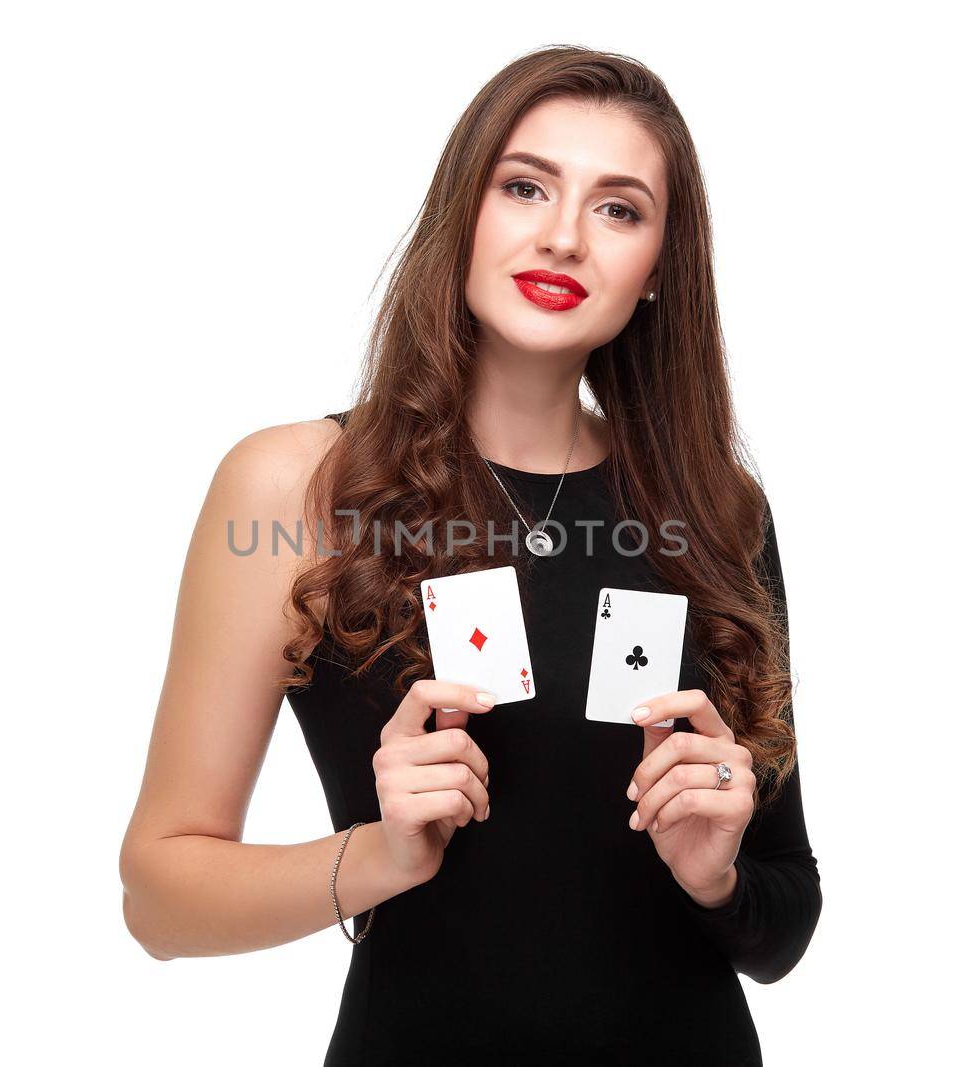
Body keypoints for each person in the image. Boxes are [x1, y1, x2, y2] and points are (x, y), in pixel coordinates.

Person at [119, 46, 821, 1065]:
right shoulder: (295, 486)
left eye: (618, 208)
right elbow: (158, 900)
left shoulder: (716, 510)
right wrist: (380, 854)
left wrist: (713, 872)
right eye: (525, 186)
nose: (563, 236)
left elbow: (785, 917)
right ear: (465, 209)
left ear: (660, 264)